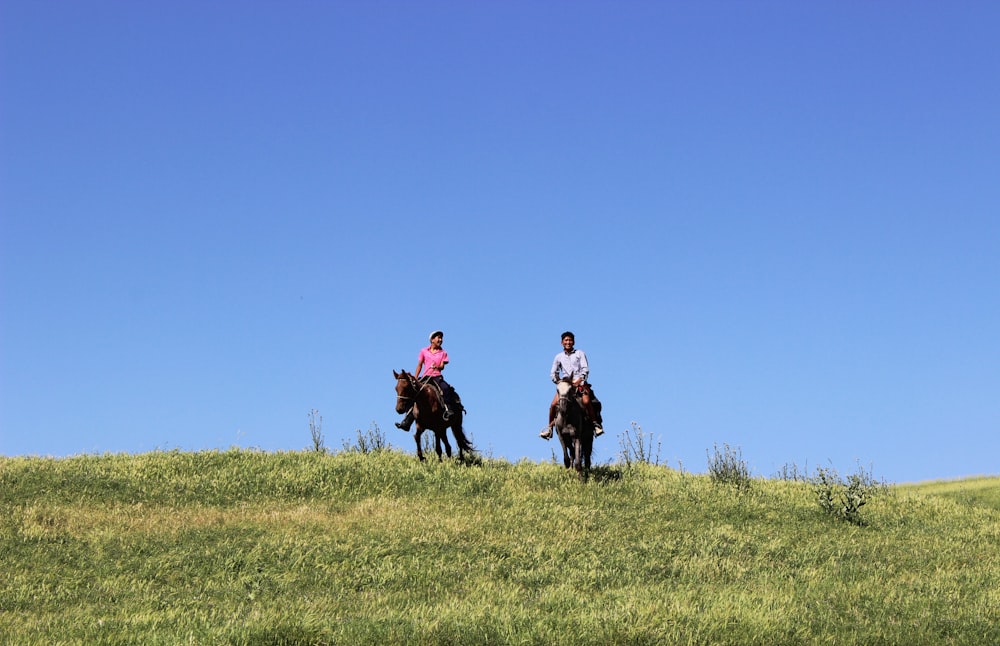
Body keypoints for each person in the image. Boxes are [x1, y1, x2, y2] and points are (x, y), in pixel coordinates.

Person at [540, 331, 603, 440]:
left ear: (573, 342)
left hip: (579, 383)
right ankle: (549, 428)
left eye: (570, 340)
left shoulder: (580, 353)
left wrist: (579, 380)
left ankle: (595, 425)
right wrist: (558, 381)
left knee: (587, 401)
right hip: (565, 385)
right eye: (566, 340)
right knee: (554, 404)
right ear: (562, 343)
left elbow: (585, 369)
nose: (568, 342)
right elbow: (553, 373)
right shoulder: (558, 357)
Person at [395, 330, 460, 431]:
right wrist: (416, 378)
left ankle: (448, 410)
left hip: (436, 377)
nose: (440, 340)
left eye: (441, 338)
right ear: (432, 340)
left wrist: (437, 366)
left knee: (445, 388)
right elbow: (420, 365)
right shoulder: (424, 351)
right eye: (438, 338)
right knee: (414, 394)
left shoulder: (443, 353)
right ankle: (407, 421)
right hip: (425, 377)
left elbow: (442, 366)